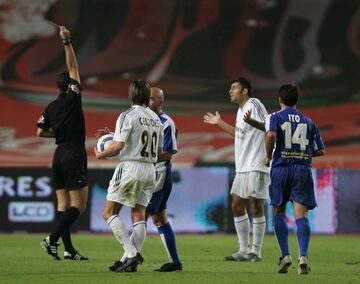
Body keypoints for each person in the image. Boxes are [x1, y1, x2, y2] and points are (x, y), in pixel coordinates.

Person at [94, 80, 163, 273]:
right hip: (150, 169)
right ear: (146, 95)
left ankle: (131, 254)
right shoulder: (155, 118)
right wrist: (115, 135)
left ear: (131, 94)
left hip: (131, 167)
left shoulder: (127, 115)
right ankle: (130, 260)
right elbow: (158, 149)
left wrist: (101, 154)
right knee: (138, 214)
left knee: (108, 212)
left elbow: (118, 146)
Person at [203, 77, 269, 262]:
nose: (230, 91)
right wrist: (219, 122)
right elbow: (238, 133)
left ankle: (256, 252)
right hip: (242, 166)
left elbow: (269, 127)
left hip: (256, 164)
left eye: (234, 88)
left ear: (245, 90)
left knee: (256, 205)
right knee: (237, 204)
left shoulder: (254, 104)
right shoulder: (240, 111)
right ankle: (243, 249)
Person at [37, 26, 88, 260]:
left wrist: (58, 133)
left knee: (63, 205)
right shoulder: (73, 98)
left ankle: (68, 250)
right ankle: (52, 239)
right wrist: (66, 41)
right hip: (74, 153)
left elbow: (40, 133)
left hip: (58, 154)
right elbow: (74, 67)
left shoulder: (51, 107)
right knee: (78, 206)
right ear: (70, 86)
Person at [263, 84, 325, 274]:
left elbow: (271, 135)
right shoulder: (309, 121)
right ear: (297, 100)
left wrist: (267, 156)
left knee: (279, 212)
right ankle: (303, 256)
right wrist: (302, 155)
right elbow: (320, 150)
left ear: (280, 99)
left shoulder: (274, 117)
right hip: (302, 169)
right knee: (301, 215)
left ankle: (285, 256)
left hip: (281, 168)